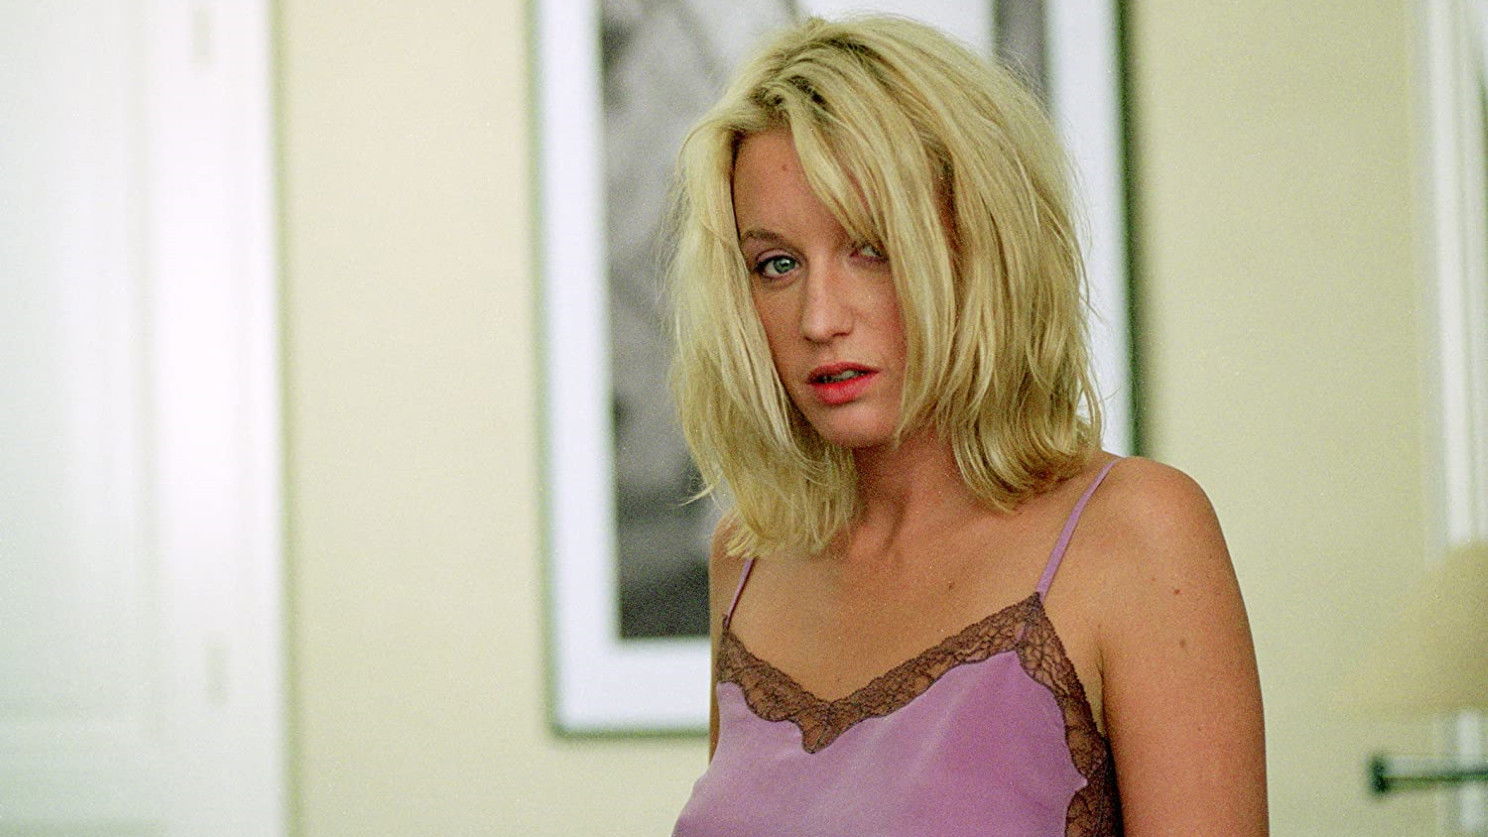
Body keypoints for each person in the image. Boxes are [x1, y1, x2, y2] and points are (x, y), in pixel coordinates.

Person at [667, 15, 1266, 836]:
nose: (819, 317)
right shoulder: (747, 558)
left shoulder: (1136, 531)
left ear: (978, 248)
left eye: (871, 248)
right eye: (777, 264)